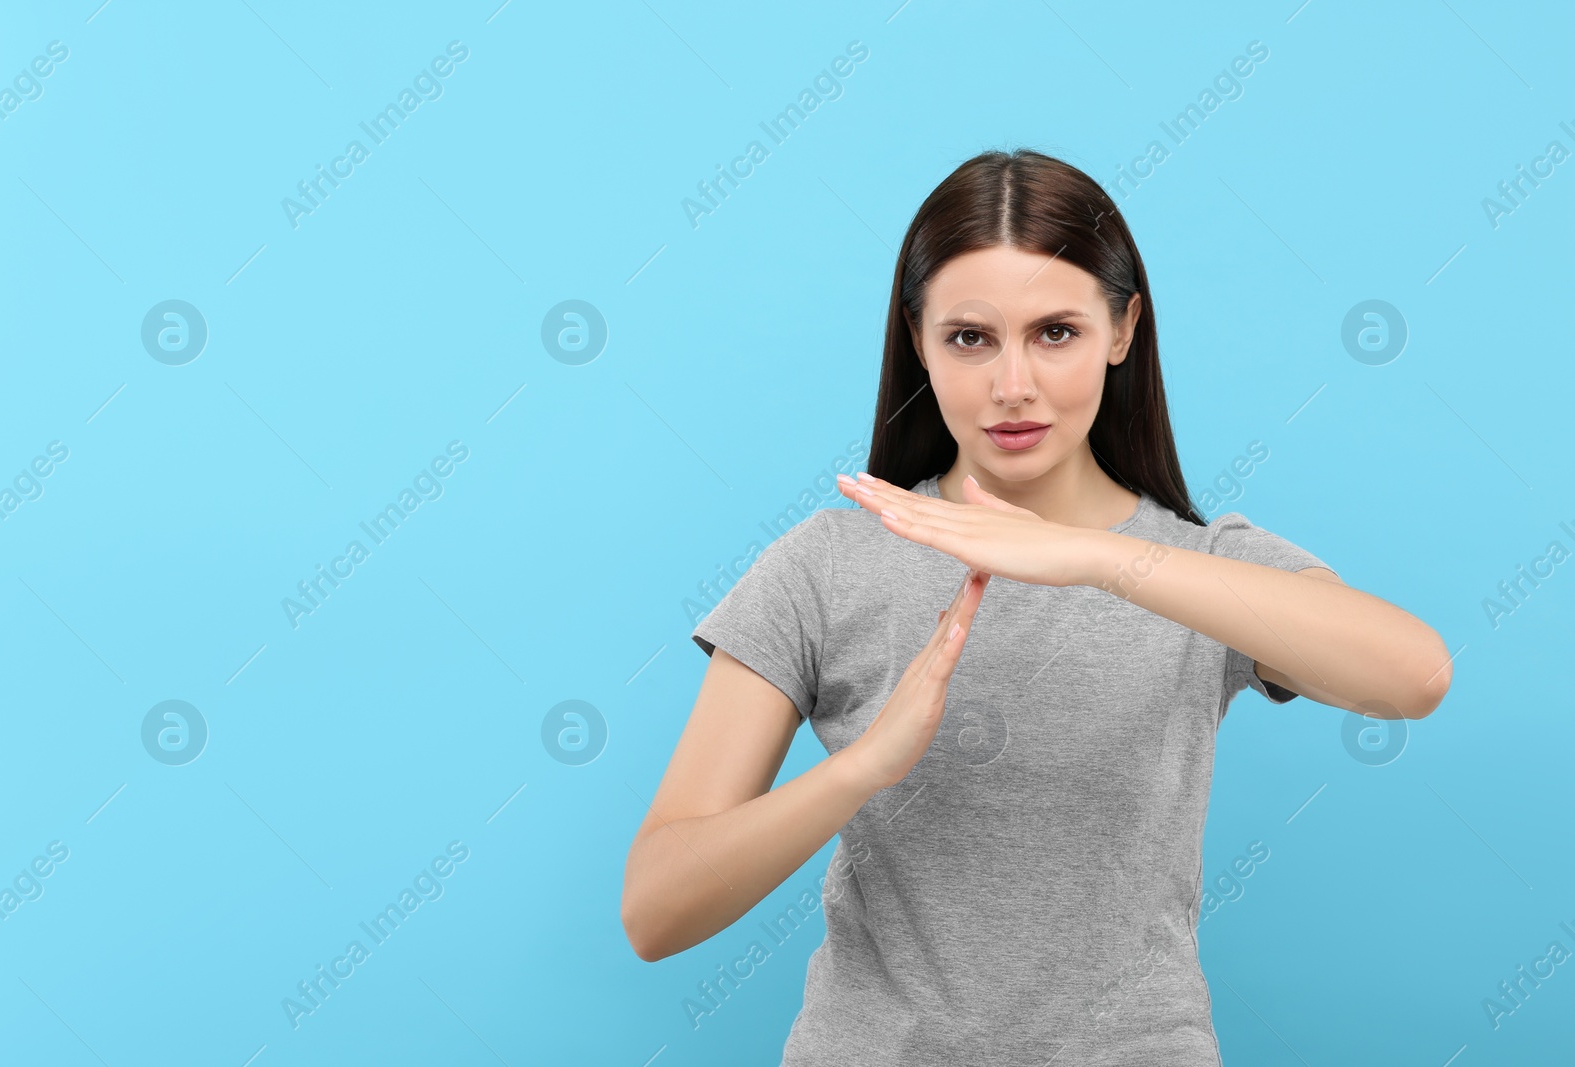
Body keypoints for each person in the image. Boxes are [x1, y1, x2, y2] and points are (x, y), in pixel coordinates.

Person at [620, 148, 1452, 1065]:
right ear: (918, 338)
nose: (1012, 385)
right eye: (970, 337)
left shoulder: (1197, 568)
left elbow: (1414, 675)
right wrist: (861, 769)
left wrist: (1095, 556)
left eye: (1055, 331)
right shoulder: (829, 562)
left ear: (1123, 328)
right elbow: (656, 910)